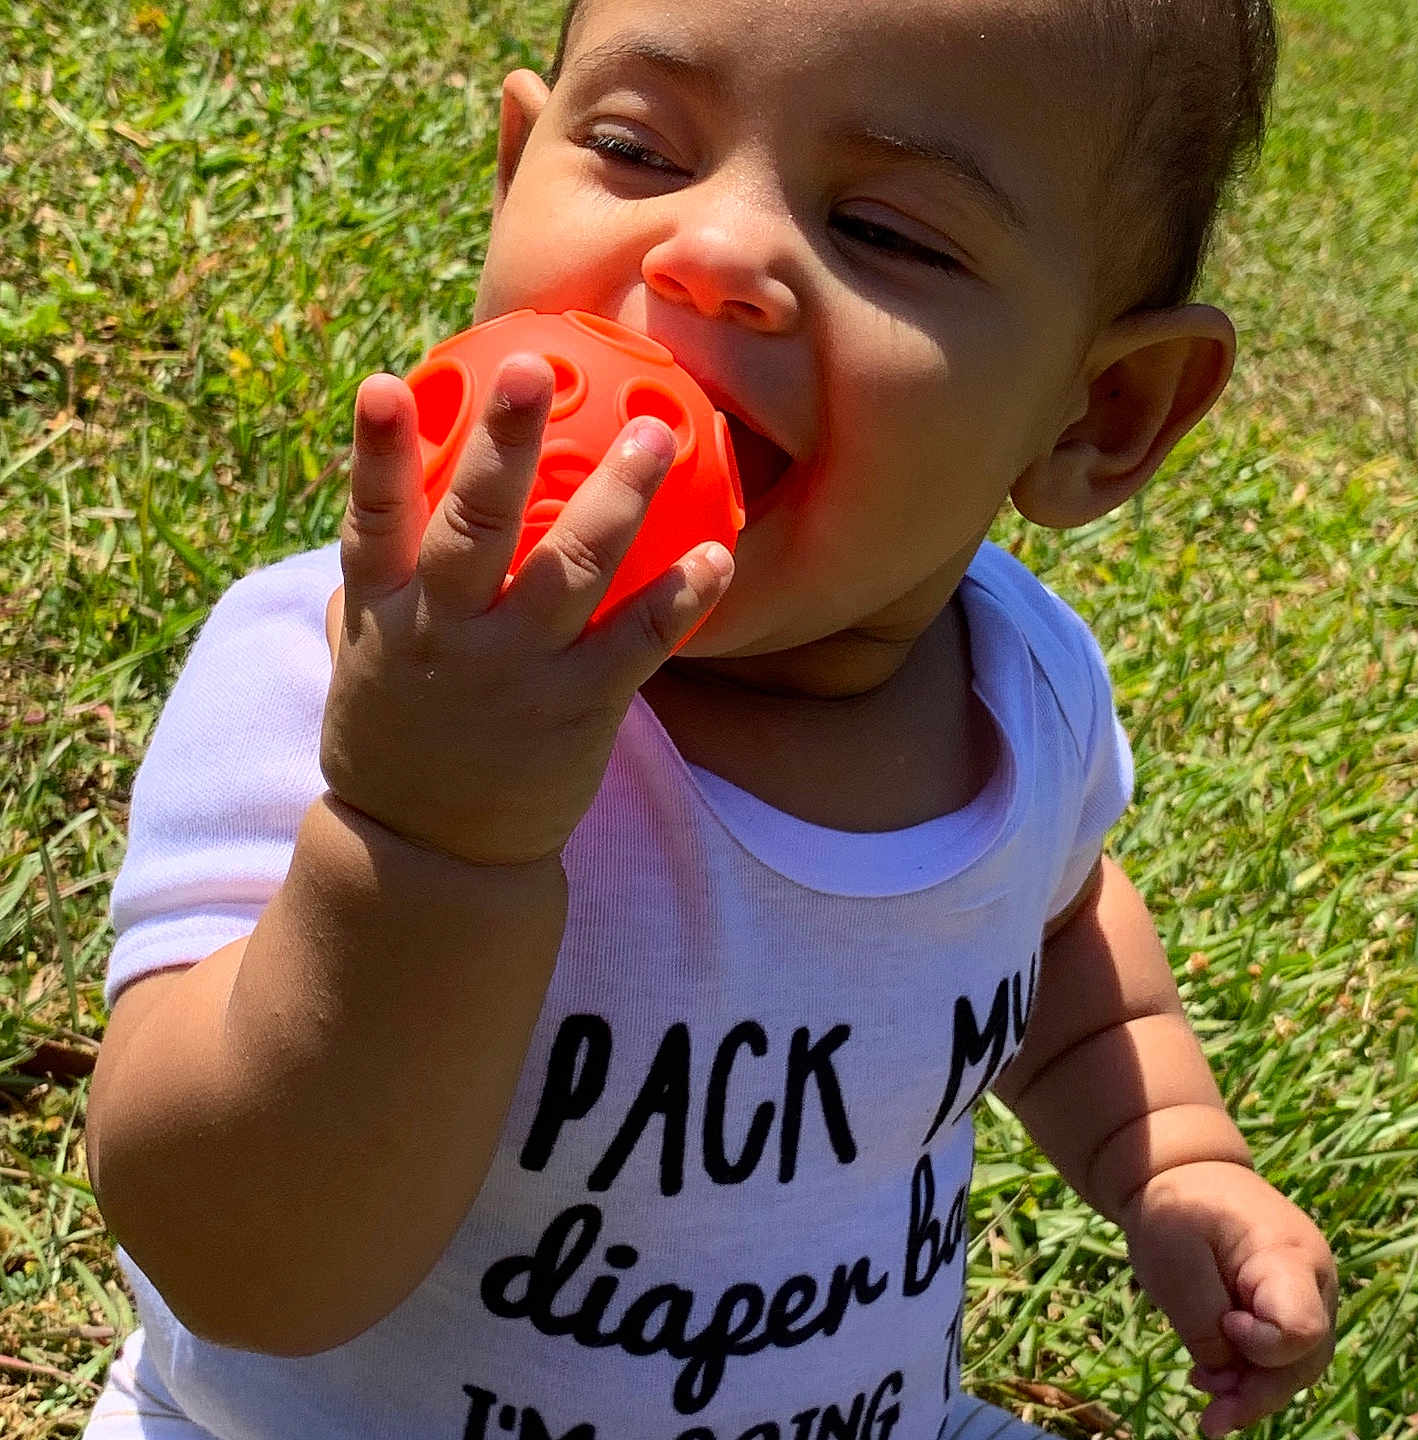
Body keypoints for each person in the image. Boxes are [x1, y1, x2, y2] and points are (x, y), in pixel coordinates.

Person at [82, 0, 1339, 1437]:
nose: (716, 251)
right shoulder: (339, 676)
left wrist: (1170, 1153)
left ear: (1102, 411)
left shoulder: (1023, 691)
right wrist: (420, 834)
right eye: (631, 147)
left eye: (890, 233)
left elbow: (1053, 929)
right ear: (514, 173)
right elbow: (237, 1258)